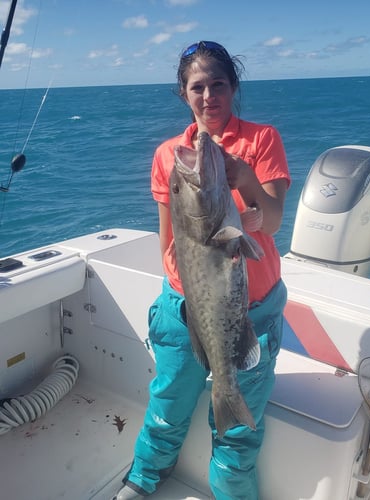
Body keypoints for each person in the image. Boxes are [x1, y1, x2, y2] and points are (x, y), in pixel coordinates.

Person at [113, 40, 290, 500]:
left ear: (233, 88)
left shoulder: (261, 139)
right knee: (167, 404)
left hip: (252, 310)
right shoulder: (168, 154)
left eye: (218, 85)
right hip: (185, 302)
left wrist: (246, 181)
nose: (208, 96)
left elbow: (270, 221)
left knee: (237, 433)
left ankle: (232, 492)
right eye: (197, 87)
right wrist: (198, 280)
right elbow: (169, 239)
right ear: (183, 93)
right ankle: (144, 476)